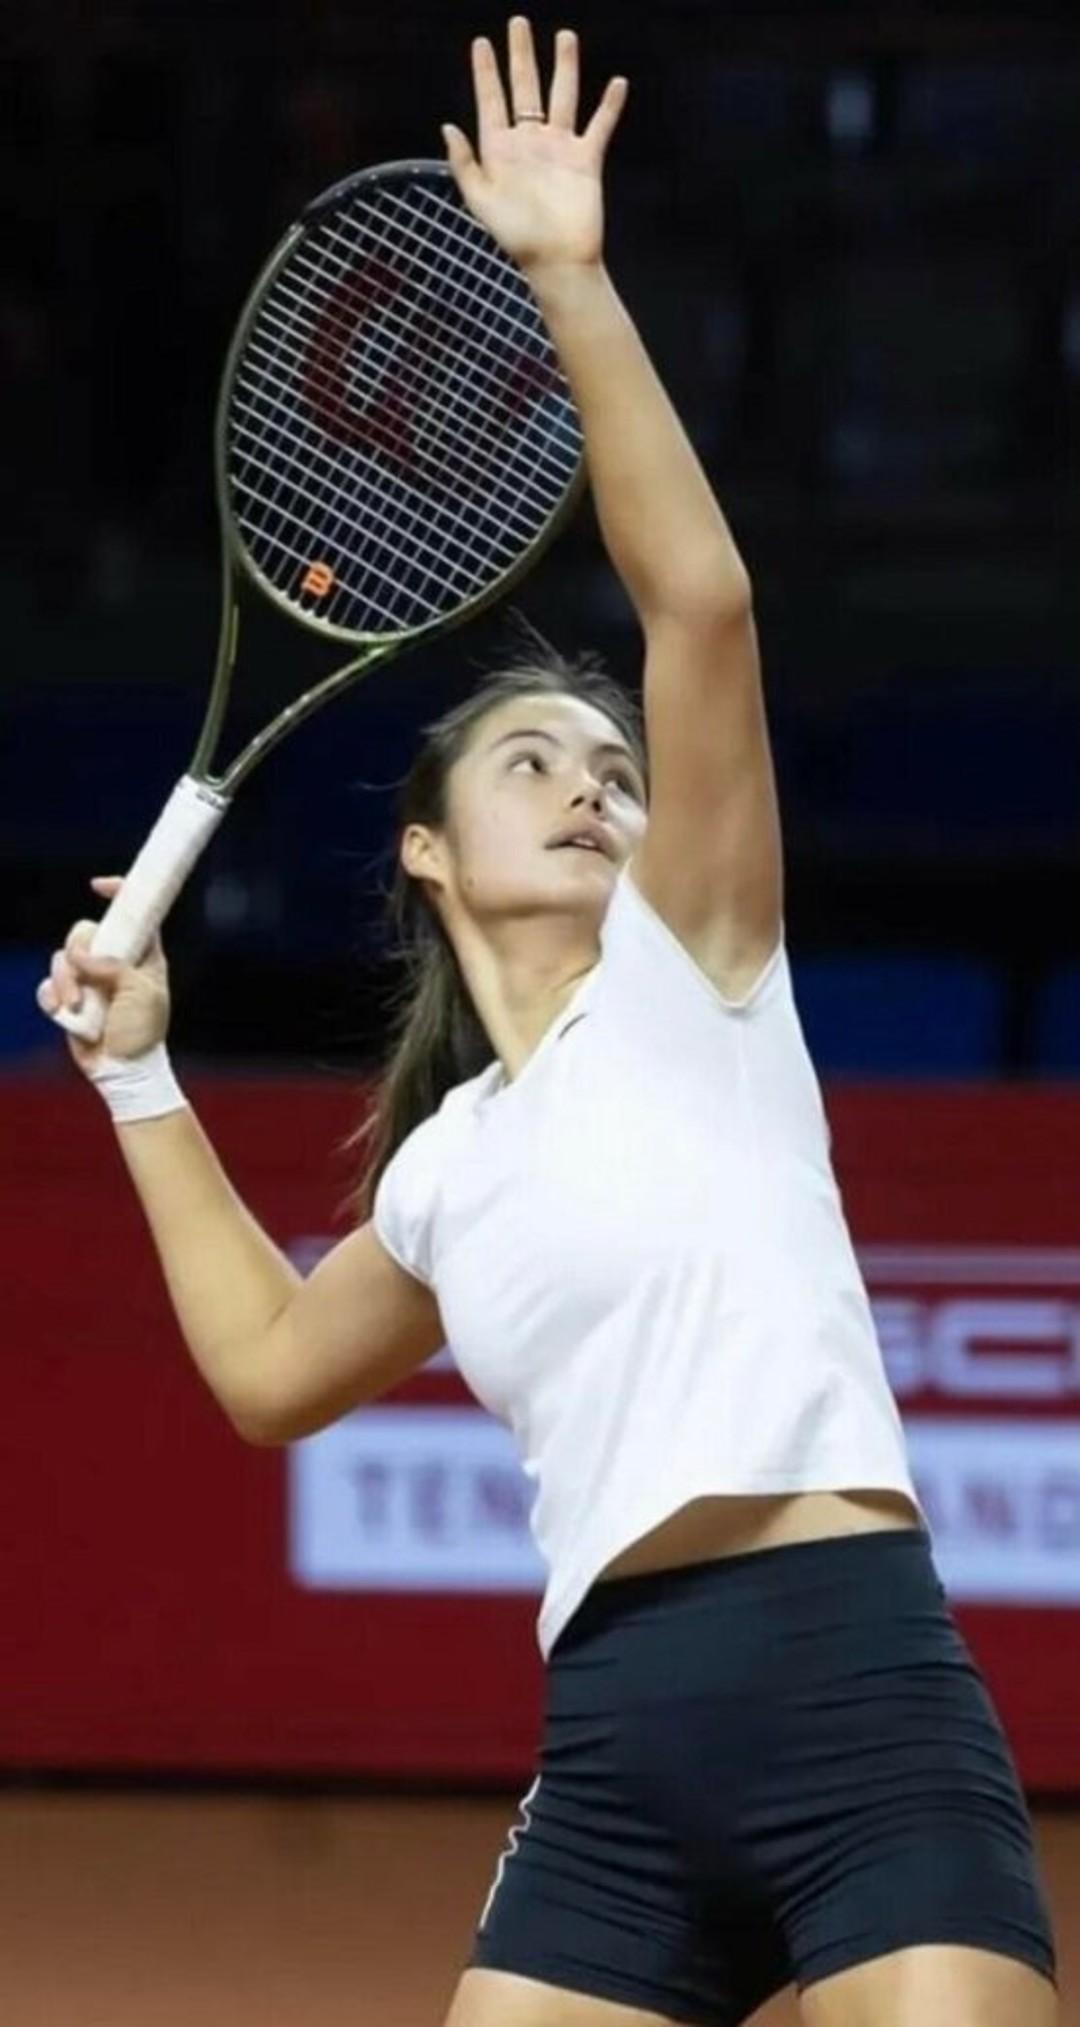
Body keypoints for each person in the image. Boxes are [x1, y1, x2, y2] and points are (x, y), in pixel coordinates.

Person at [41, 18, 1057, 2027]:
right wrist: (139, 1071)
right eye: (537, 762)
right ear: (426, 852)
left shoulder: (700, 974)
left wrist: (572, 279)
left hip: (855, 1693)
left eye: (615, 773)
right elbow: (269, 1375)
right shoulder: (450, 1168)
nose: (596, 788)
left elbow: (702, 607)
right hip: (617, 1756)